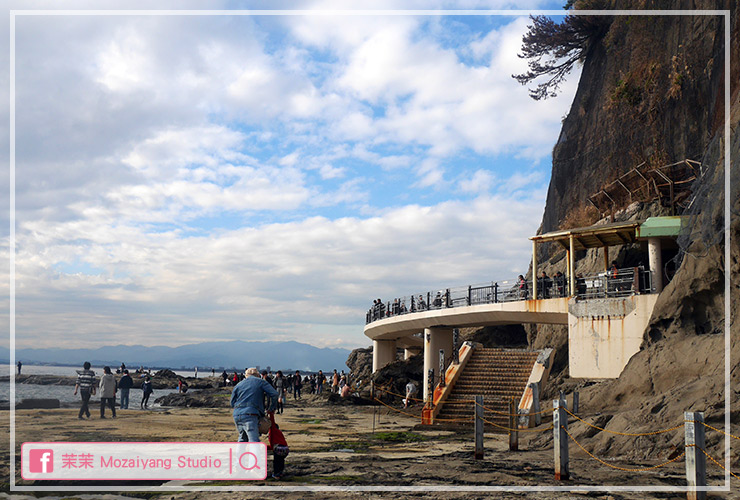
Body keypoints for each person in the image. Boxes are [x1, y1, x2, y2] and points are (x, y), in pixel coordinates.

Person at [230, 367, 278, 443]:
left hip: (237, 414)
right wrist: (271, 408)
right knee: (254, 440)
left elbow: (232, 403)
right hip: (251, 414)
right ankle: (255, 454)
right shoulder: (261, 382)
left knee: (242, 438)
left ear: (246, 375)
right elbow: (275, 394)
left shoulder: (239, 384)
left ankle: (240, 455)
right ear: (258, 375)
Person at [267, 411, 289, 479]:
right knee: (281, 461)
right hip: (285, 449)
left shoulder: (273, 430)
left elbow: (272, 422)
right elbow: (272, 447)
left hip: (279, 448)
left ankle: (276, 474)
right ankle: (280, 473)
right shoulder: (279, 433)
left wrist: (271, 413)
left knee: (276, 462)